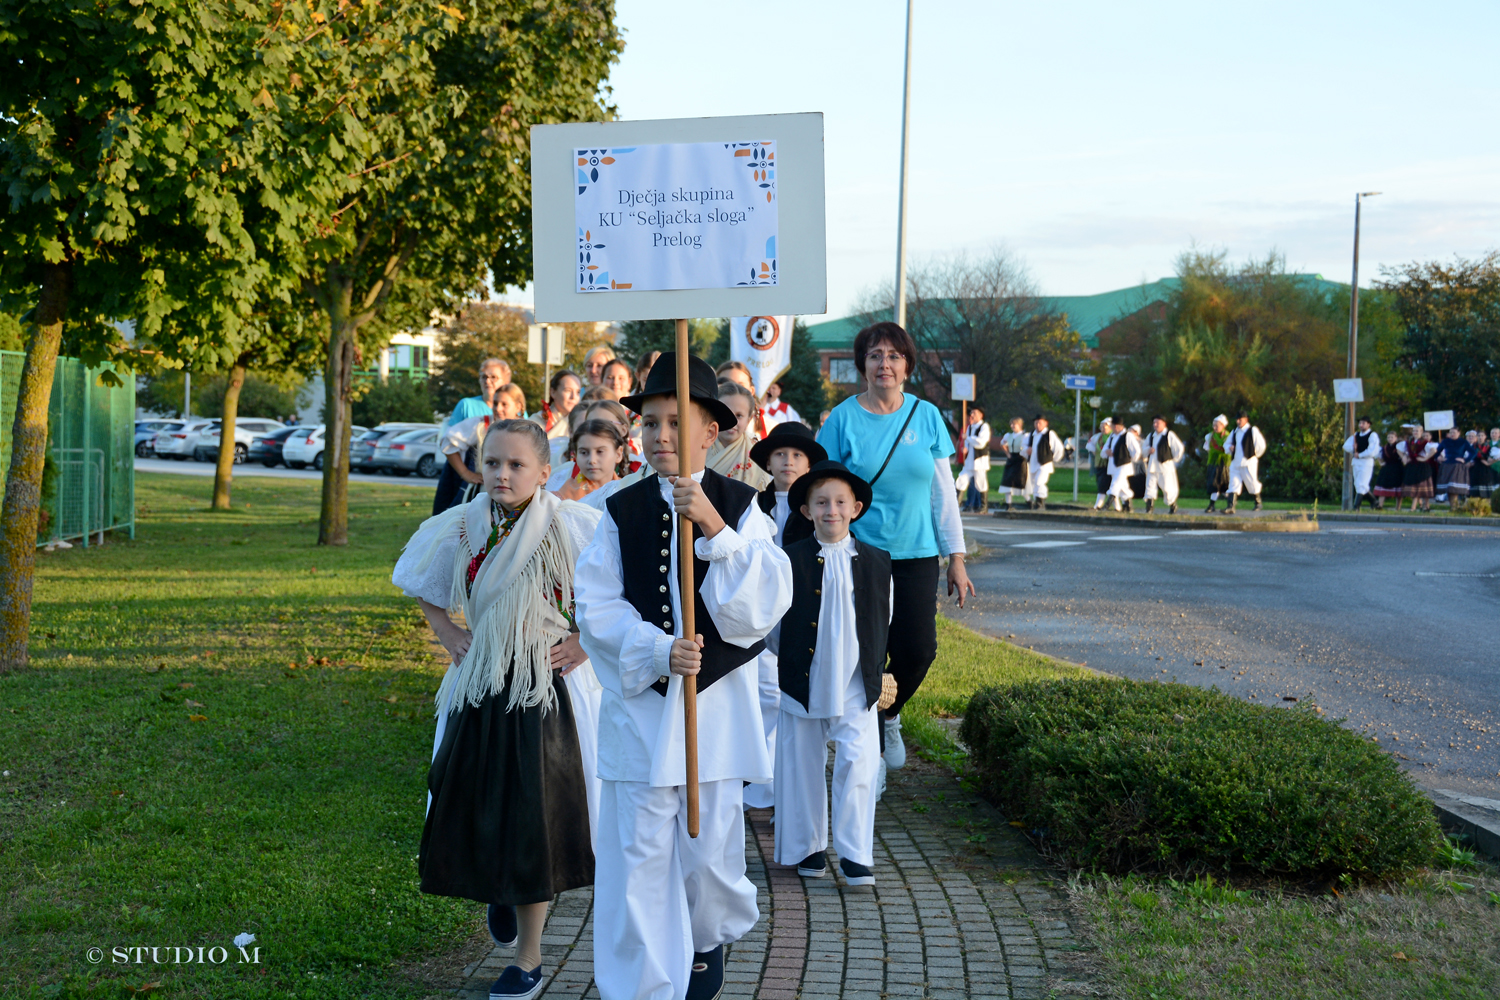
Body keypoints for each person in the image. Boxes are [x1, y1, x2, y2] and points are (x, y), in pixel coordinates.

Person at [574, 353, 793, 1000]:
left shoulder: (743, 508)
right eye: (651, 422)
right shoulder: (616, 509)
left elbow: (759, 607)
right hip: (641, 713)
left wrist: (715, 528)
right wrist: (653, 649)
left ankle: (704, 941)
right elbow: (597, 605)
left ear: (709, 430)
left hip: (715, 719)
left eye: (677, 422)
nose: (662, 435)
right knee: (637, 864)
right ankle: (640, 987)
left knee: (709, 862)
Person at [393, 418, 596, 1000]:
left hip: (543, 691)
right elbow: (427, 592)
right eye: (492, 464)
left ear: (544, 472)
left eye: (515, 465)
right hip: (481, 686)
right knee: (477, 803)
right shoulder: (459, 526)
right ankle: (498, 891)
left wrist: (582, 642)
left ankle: (529, 959)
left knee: (534, 817)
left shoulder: (573, 526)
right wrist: (449, 634)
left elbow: (611, 600)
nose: (502, 475)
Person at [816, 322, 971, 774]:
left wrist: (956, 558)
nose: (884, 363)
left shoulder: (926, 416)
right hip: (859, 553)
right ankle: (867, 755)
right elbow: (826, 488)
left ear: (907, 365)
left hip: (917, 554)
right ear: (862, 365)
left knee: (918, 649)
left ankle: (888, 715)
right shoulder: (842, 419)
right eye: (875, 355)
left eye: (894, 356)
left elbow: (943, 493)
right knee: (865, 650)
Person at [771, 461, 892, 887]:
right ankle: (808, 846)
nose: (831, 510)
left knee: (858, 762)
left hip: (857, 682)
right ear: (806, 511)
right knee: (802, 762)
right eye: (821, 502)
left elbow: (883, 618)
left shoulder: (877, 561)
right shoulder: (788, 560)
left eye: (840, 502)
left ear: (855, 508)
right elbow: (773, 626)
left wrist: (882, 668)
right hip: (803, 677)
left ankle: (855, 853)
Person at [742, 421, 826, 812]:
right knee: (760, 689)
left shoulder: (815, 509)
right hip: (758, 605)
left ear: (809, 463)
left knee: (785, 695)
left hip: (799, 608)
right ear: (768, 461)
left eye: (797, 455)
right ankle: (758, 781)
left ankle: (782, 787)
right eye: (780, 454)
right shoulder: (751, 503)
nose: (788, 462)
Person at [432, 358, 511, 515]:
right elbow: (448, 441)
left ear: (506, 380)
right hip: (466, 481)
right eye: (483, 377)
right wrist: (465, 473)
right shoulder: (466, 405)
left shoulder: (514, 408)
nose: (487, 381)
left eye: (493, 377)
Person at [440, 384, 528, 507]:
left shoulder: (528, 430)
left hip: (517, 493)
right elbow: (447, 441)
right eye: (495, 403)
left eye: (504, 404)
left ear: (518, 406)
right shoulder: (482, 424)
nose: (498, 408)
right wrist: (465, 473)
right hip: (483, 493)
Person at [707, 381, 773, 490]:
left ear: (749, 419)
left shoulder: (757, 455)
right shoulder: (696, 446)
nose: (732, 421)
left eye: (739, 415)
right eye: (726, 413)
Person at [555, 419, 628, 503]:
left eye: (600, 452)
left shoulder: (627, 491)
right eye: (584, 452)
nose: (592, 460)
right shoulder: (564, 497)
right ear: (575, 455)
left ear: (618, 454)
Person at [1222, 412, 1266, 514]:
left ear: (1246, 419)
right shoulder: (1235, 431)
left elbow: (1261, 445)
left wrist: (1253, 455)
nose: (1238, 421)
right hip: (1236, 462)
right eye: (1237, 419)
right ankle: (1230, 506)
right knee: (1233, 484)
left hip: (1248, 462)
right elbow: (1226, 444)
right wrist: (1229, 448)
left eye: (1240, 419)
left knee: (1252, 482)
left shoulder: (1252, 430)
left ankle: (1258, 502)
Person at [1143, 416, 1185, 514]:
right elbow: (1143, 449)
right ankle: (1149, 508)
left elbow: (1179, 448)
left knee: (1167, 487)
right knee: (1150, 486)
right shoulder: (1151, 436)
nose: (1155, 425)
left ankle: (1172, 505)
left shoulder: (1169, 435)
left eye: (1158, 423)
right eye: (1154, 423)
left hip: (1164, 467)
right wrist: (1148, 450)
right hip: (1152, 466)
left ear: (1164, 424)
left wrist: (1174, 459)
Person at [1021, 414, 1063, 511]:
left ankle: (1040, 503)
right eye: (1036, 422)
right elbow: (1022, 447)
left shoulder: (1049, 434)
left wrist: (1053, 458)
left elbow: (1059, 448)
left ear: (1045, 423)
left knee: (1039, 482)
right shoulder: (1030, 435)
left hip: (1044, 464)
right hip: (1033, 463)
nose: (1037, 424)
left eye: (1040, 422)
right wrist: (1026, 450)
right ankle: (1037, 503)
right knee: (1034, 483)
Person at [954, 406, 992, 513]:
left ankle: (984, 506)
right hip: (969, 460)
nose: (972, 415)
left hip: (979, 460)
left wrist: (968, 439)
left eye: (974, 413)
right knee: (961, 479)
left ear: (981, 415)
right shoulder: (969, 427)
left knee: (980, 482)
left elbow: (981, 442)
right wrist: (965, 448)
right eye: (971, 413)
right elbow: (967, 442)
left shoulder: (984, 427)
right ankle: (956, 504)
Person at [534, 369, 583, 446]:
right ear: (553, 392)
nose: (573, 397)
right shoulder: (536, 422)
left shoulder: (582, 422)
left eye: (578, 392)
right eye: (568, 390)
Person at [1343, 416, 1382, 511]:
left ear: (1368, 424)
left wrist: (1360, 455)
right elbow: (1345, 446)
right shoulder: (1356, 435)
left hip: (1366, 462)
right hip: (1356, 462)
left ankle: (1356, 506)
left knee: (1361, 484)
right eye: (1360, 423)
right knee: (1359, 484)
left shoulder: (1372, 435)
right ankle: (1374, 502)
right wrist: (1353, 448)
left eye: (1363, 423)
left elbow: (1372, 450)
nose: (1361, 425)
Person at [1398, 424, 1438, 512]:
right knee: (1415, 487)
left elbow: (1434, 450)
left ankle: (1422, 507)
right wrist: (1404, 457)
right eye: (1414, 431)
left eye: (1417, 431)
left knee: (1423, 488)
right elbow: (1398, 448)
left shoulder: (1425, 442)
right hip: (1412, 466)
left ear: (1421, 432)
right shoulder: (1409, 442)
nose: (1415, 432)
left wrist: (1425, 458)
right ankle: (1420, 507)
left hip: (1422, 467)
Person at [1106, 420, 1141, 512]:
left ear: (1117, 426)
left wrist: (1131, 459)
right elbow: (1105, 449)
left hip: (1124, 465)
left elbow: (1136, 450)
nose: (1111, 428)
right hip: (1113, 465)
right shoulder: (1112, 436)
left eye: (1112, 426)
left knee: (1115, 484)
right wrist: (1106, 452)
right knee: (1123, 486)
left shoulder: (1128, 435)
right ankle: (1127, 505)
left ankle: (1107, 504)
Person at [1435, 427, 1473, 507]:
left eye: (1454, 432)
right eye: (1451, 432)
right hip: (1447, 465)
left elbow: (1473, 452)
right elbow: (1437, 451)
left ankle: (1456, 506)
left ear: (1458, 433)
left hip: (1458, 466)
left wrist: (1465, 460)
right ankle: (1453, 506)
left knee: (1454, 487)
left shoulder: (1463, 442)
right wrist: (1438, 457)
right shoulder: (1445, 441)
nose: (1452, 434)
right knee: (1448, 488)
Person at [996, 417, 1028, 510]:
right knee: (1007, 482)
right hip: (1011, 459)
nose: (1012, 426)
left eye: (1014, 424)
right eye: (1011, 424)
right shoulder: (1008, 435)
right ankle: (1008, 504)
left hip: (1020, 460)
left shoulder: (1024, 436)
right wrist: (1008, 454)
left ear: (1020, 425)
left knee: (1020, 482)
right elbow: (1002, 444)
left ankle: (1029, 501)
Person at [1201, 415, 1231, 513]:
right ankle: (1212, 505)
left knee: (1223, 485)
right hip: (1213, 462)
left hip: (1224, 463)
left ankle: (1230, 503)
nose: (1214, 428)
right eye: (1214, 425)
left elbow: (1227, 449)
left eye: (1217, 425)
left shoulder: (1228, 436)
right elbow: (1207, 448)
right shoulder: (1210, 436)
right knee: (1214, 484)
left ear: (1223, 426)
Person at [1084, 418, 1113, 510]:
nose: (1103, 428)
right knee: (1102, 483)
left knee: (1111, 485)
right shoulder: (1097, 437)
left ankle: (1099, 505)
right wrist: (1094, 452)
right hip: (1100, 464)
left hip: (1110, 463)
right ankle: (1117, 507)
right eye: (1102, 426)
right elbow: (1090, 445)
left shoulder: (1113, 436)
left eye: (1105, 426)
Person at [1371, 431, 1404, 509]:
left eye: (1392, 437)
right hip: (1387, 469)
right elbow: (1378, 456)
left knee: (1398, 489)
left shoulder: (1400, 447)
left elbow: (1404, 456)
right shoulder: (1385, 447)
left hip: (1397, 469)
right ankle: (1380, 505)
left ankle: (1398, 507)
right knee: (1383, 487)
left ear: (1396, 438)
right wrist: (1381, 463)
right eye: (1389, 437)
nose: (1390, 439)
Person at [1471, 428, 1500, 500]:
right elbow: (1471, 456)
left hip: (1486, 469)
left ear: (1485, 437)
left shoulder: (1488, 447)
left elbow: (1493, 457)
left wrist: (1489, 462)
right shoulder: (1473, 446)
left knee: (1486, 490)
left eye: (1482, 435)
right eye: (1479, 436)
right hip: (1476, 468)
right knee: (1475, 490)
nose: (1480, 437)